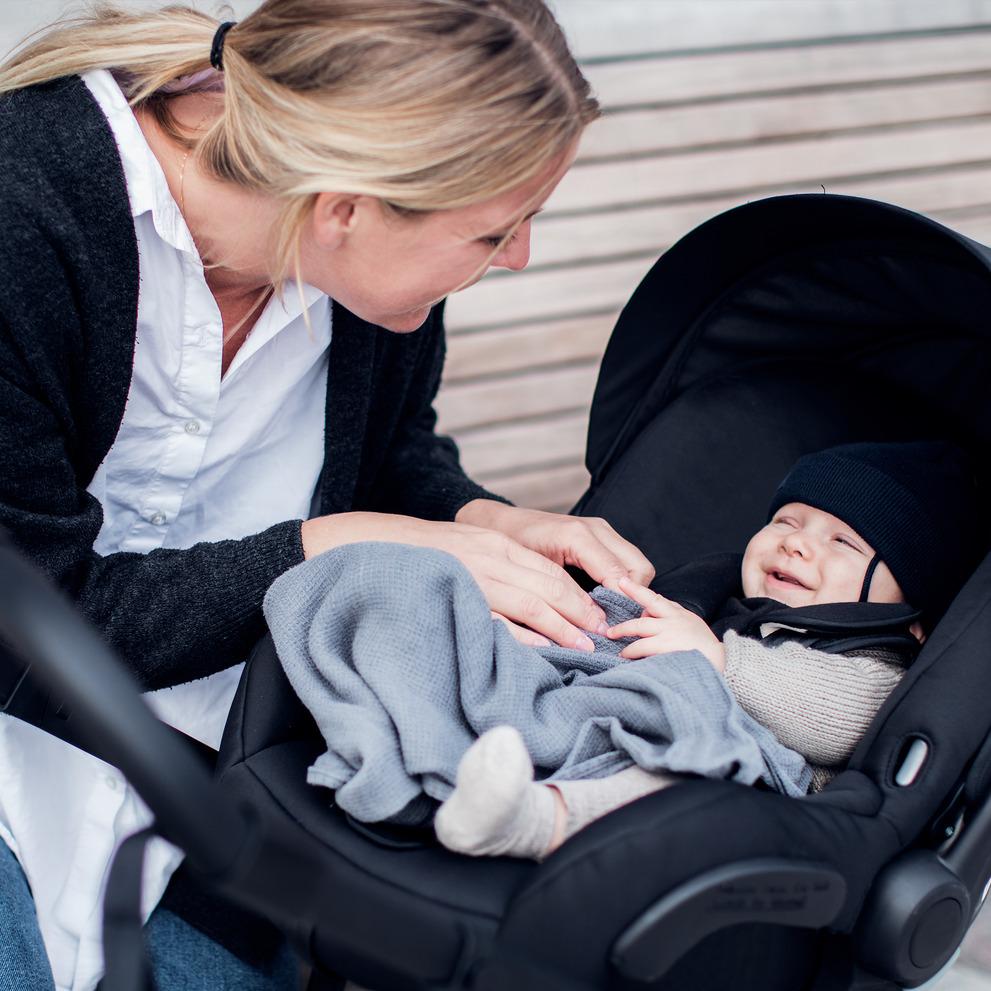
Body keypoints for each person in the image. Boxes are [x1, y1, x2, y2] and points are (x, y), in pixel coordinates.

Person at [0, 3, 655, 989]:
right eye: (493, 230)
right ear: (344, 204)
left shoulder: (368, 285)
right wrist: (329, 545)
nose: (517, 256)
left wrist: (478, 517)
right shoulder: (27, 218)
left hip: (225, 784)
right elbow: (33, 615)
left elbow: (387, 453)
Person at [432, 440, 980, 860]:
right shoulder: (717, 602)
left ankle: (533, 820)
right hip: (633, 723)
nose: (796, 541)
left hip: (747, 783)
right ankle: (454, 743)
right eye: (785, 520)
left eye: (844, 542)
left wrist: (718, 660)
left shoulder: (876, 659)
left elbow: (840, 721)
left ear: (910, 613)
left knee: (674, 792)